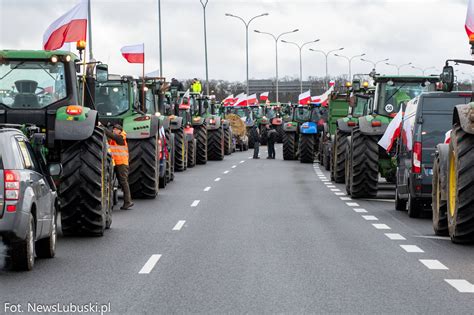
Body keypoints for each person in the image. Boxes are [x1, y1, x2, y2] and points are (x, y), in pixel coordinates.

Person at [104, 124, 134, 210]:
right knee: (114, 182)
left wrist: (104, 129)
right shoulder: (114, 138)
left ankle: (128, 202)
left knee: (123, 182)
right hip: (115, 163)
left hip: (122, 163)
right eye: (113, 129)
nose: (114, 131)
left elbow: (113, 136)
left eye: (116, 129)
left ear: (120, 131)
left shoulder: (121, 138)